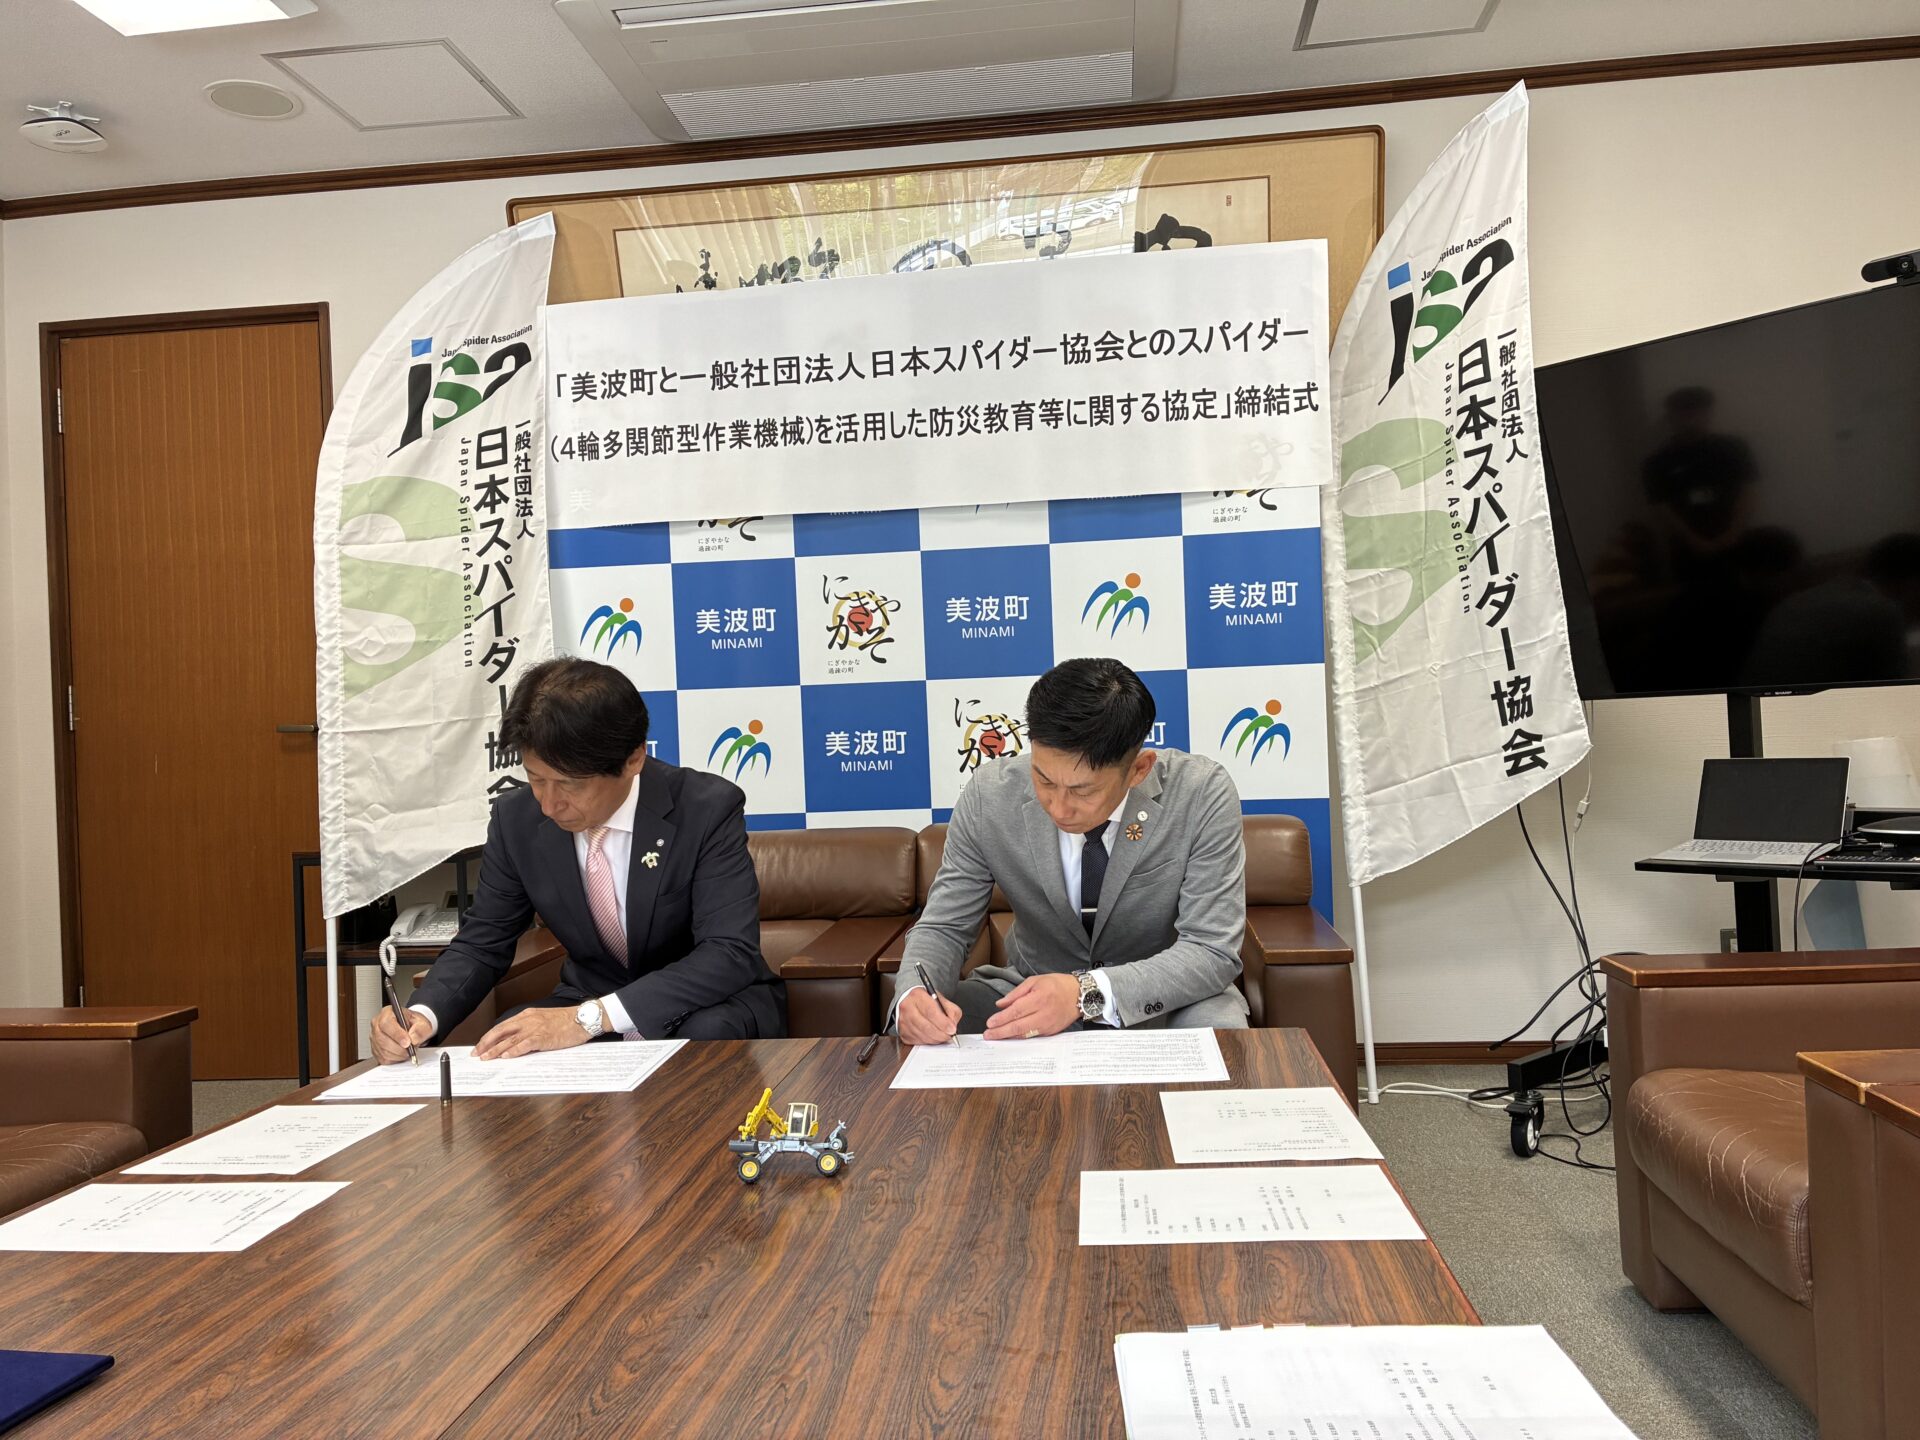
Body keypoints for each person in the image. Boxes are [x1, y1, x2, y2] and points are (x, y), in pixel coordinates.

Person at [370, 658, 784, 1063]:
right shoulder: (516, 820)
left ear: (633, 759)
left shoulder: (705, 809)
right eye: (536, 779)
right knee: (507, 1044)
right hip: (585, 1000)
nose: (549, 805)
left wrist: (589, 1018)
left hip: (706, 1005)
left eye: (569, 784)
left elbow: (728, 952)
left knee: (707, 1035)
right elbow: (483, 942)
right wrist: (421, 1015)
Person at [895, 657, 1248, 1045]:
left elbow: (1211, 949)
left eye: (1083, 791)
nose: (1059, 809)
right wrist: (914, 994)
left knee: (1221, 1039)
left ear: (1139, 769)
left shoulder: (1200, 793)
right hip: (1028, 991)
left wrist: (1085, 993)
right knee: (925, 1036)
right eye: (1044, 779)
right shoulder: (989, 796)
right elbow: (946, 926)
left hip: (1165, 1001)